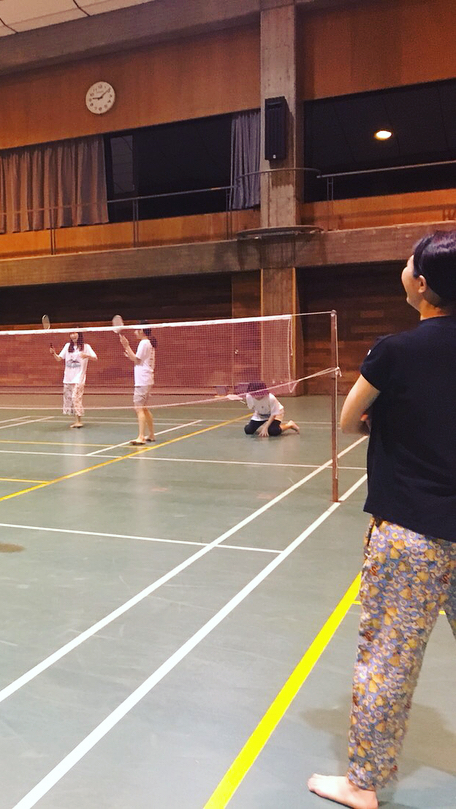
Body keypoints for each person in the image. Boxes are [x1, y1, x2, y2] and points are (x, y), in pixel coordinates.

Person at [307, 231, 456, 809]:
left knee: (388, 659)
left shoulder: (394, 350)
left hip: (411, 532)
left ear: (421, 284)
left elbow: (350, 419)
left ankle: (363, 783)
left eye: (409, 263)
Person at [50, 331, 98, 428]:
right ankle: (76, 420)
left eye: (75, 333)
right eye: (71, 333)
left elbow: (95, 358)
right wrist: (53, 353)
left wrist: (87, 356)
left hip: (79, 378)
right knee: (71, 400)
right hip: (68, 378)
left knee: (76, 398)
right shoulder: (67, 346)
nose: (73, 335)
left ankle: (79, 421)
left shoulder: (86, 347)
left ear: (79, 334)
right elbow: (59, 358)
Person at [119, 323, 157, 445]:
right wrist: (128, 351)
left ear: (142, 331)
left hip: (142, 380)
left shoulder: (144, 343)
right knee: (144, 408)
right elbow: (136, 359)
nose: (135, 332)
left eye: (136, 330)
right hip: (147, 379)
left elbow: (136, 359)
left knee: (138, 408)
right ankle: (151, 434)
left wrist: (126, 345)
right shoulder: (149, 343)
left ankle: (141, 437)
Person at [226, 381, 300, 437]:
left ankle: (290, 425)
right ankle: (252, 425)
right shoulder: (249, 396)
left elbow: (274, 414)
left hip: (275, 414)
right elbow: (252, 407)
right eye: (254, 394)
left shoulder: (271, 398)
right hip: (260, 414)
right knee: (248, 431)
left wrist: (265, 427)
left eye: (259, 394)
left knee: (273, 431)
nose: (257, 396)